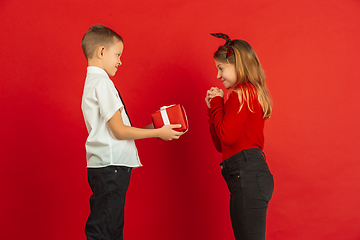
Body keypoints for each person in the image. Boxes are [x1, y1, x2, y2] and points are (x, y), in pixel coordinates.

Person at [81, 24, 183, 240]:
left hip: (107, 167)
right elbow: (119, 131)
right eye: (117, 54)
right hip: (112, 167)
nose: (120, 60)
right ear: (101, 52)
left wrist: (157, 129)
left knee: (112, 229)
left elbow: (117, 129)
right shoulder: (103, 83)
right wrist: (159, 132)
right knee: (103, 231)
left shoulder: (92, 83)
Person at [205, 33, 274, 240]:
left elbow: (225, 136)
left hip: (248, 175)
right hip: (243, 175)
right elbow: (220, 144)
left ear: (238, 66)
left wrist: (218, 102)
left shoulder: (241, 94)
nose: (218, 75)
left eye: (221, 68)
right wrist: (213, 110)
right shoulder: (245, 94)